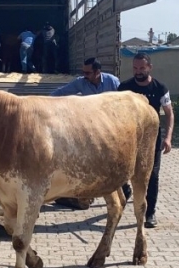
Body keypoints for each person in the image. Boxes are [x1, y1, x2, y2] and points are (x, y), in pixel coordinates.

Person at [49, 58, 127, 210]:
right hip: (92, 129)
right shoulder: (81, 82)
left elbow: (123, 101)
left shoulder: (112, 82)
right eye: (83, 72)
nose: (84, 75)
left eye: (88, 72)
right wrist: (42, 102)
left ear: (98, 72)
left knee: (116, 159)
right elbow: (61, 92)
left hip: (112, 127)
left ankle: (122, 188)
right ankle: (83, 194)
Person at [117, 52, 174, 228]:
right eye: (135, 68)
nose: (138, 71)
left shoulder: (160, 88)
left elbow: (169, 114)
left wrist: (168, 137)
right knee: (122, 172)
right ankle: (125, 192)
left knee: (152, 175)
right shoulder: (124, 88)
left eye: (142, 68)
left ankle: (150, 213)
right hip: (129, 139)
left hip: (151, 139)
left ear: (149, 67)